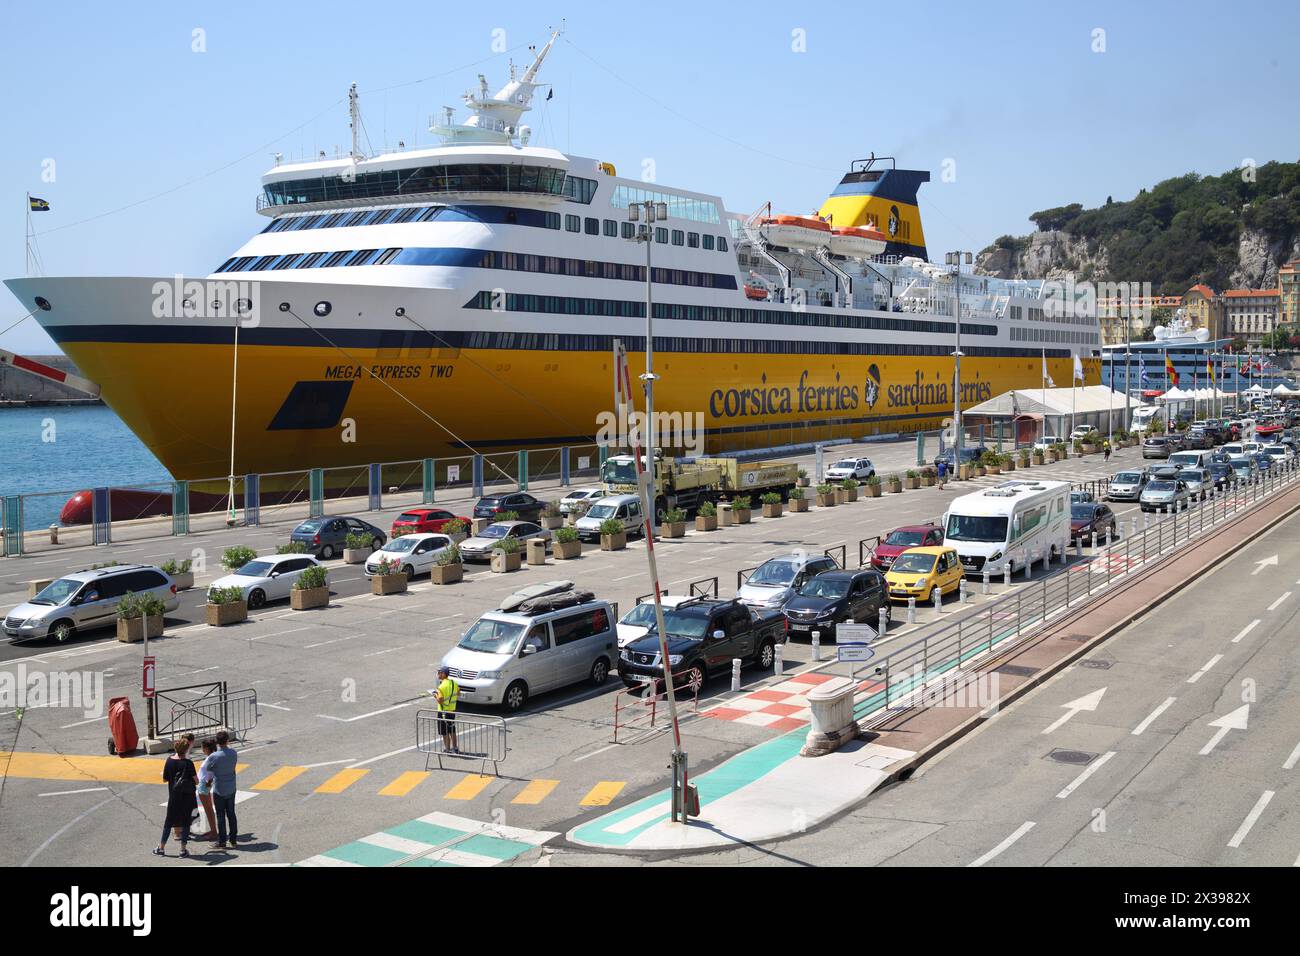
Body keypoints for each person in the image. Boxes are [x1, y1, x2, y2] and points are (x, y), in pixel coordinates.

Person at [155, 738, 197, 858]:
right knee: (185, 822)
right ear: (186, 750)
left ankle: (161, 848)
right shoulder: (188, 763)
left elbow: (165, 779)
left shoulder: (169, 761)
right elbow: (196, 781)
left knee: (169, 821)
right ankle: (183, 850)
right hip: (187, 797)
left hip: (174, 796)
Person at [208, 730, 239, 849]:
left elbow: (208, 769)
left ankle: (222, 841)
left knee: (220, 816)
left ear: (217, 742)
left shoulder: (213, 756)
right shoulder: (233, 753)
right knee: (231, 813)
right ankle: (233, 840)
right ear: (227, 741)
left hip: (219, 788)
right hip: (231, 787)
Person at [193, 737, 219, 841]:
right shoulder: (212, 756)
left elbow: (211, 772)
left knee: (208, 809)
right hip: (204, 784)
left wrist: (208, 782)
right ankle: (213, 830)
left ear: (207, 748)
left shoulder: (210, 758)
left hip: (204, 784)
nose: (202, 749)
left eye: (203, 748)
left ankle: (213, 832)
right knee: (209, 808)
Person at [434, 666, 459, 754]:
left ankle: (447, 749)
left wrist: (435, 696)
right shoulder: (454, 683)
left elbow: (440, 700)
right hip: (452, 711)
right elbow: (458, 693)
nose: (438, 674)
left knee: (445, 732)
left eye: (440, 673)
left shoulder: (441, 686)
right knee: (452, 729)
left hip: (443, 712)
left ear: (444, 674)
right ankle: (455, 747)